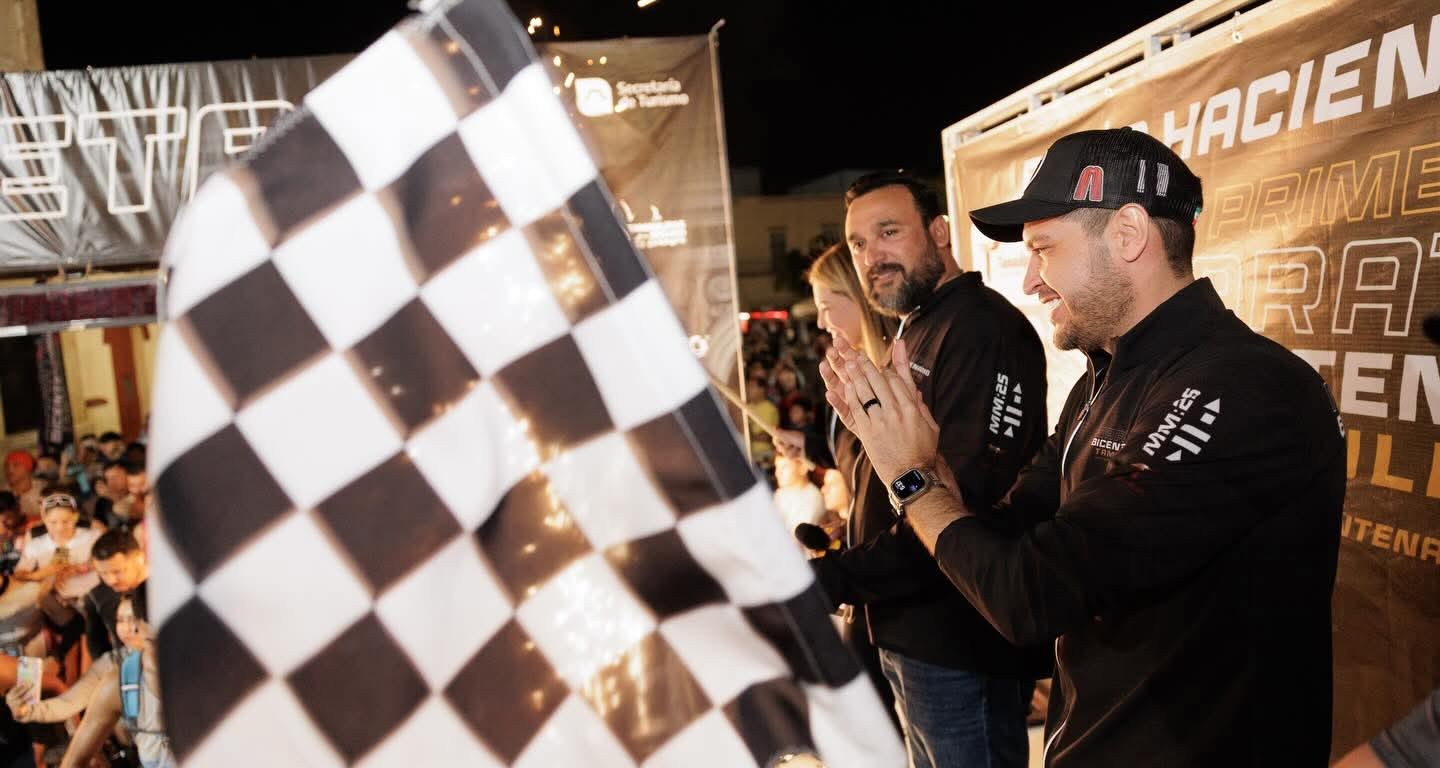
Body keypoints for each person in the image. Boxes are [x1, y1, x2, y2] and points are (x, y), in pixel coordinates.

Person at [821, 127, 1345, 767]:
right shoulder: (1106, 378)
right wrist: (922, 465)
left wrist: (910, 478)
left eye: (1043, 249)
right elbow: (1008, 526)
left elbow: (1031, 593)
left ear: (1128, 235)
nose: (1031, 282)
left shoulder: (1246, 388)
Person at [808, 172, 1051, 768]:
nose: (872, 257)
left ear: (939, 231)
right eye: (859, 244)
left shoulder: (983, 330)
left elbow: (963, 504)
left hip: (959, 645)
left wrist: (833, 577)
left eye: (889, 232)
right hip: (909, 637)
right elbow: (898, 477)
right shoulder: (917, 326)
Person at [7, 596, 175, 768]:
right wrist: (28, 710)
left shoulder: (186, 667)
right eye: (120, 620)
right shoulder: (116, 670)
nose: (127, 628)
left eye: (132, 619)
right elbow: (70, 702)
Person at [83, 530, 148, 661]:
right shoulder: (97, 596)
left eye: (117, 571)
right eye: (103, 573)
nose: (111, 580)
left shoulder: (162, 590)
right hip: (122, 664)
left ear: (139, 558)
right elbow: (96, 645)